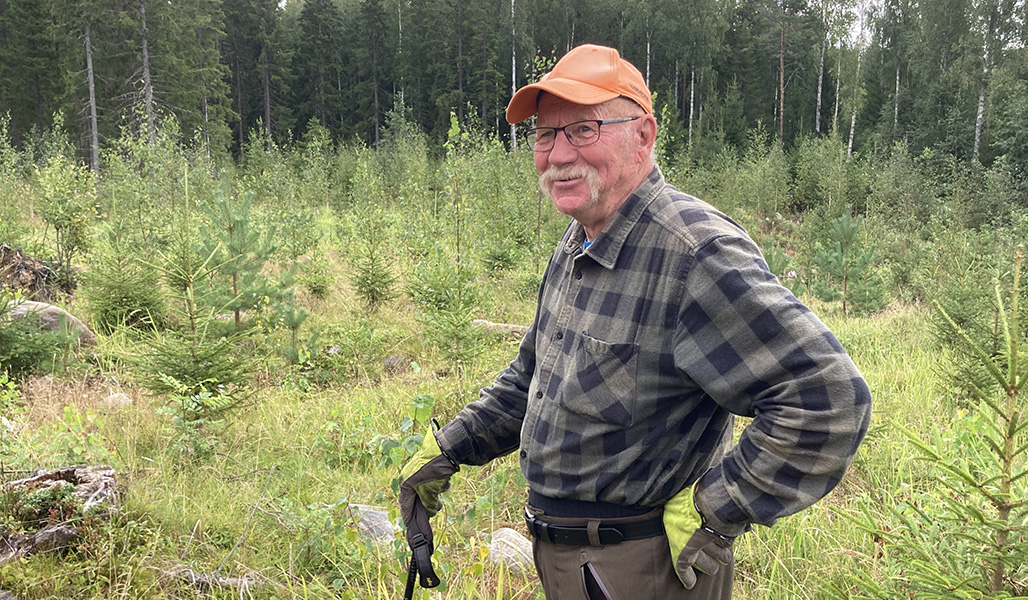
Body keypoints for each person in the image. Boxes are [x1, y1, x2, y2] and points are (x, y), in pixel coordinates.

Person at [399, 43, 872, 600]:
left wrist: (717, 508)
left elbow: (828, 397)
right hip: (568, 563)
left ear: (642, 135)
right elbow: (534, 378)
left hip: (644, 570)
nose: (557, 155)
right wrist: (449, 449)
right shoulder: (579, 241)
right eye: (544, 136)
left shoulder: (693, 253)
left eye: (583, 129)